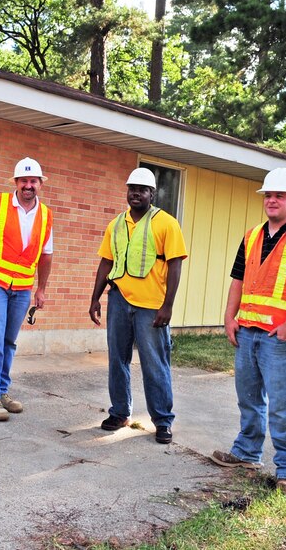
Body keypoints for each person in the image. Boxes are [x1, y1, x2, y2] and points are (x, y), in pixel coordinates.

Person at [210, 167, 286, 494]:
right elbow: (238, 279)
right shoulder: (251, 236)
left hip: (281, 338)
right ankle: (247, 452)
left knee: (283, 405)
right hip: (247, 332)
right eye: (268, 195)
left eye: (279, 195)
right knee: (248, 399)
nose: (272, 200)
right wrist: (229, 317)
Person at [89, 167, 187, 444]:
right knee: (117, 359)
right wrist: (95, 297)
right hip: (119, 299)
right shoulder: (116, 224)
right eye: (132, 188)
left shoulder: (166, 223)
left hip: (151, 305)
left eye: (142, 189)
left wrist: (167, 306)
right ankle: (119, 412)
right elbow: (106, 262)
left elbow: (175, 265)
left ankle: (163, 421)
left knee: (154, 364)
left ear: (152, 194)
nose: (135, 193)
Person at [0, 157, 54, 421]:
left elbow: (46, 255)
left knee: (8, 341)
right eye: (24, 181)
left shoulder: (46, 214)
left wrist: (41, 289)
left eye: (33, 181)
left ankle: (2, 391)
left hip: (23, 288)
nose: (28, 185)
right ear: (16, 183)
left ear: (40, 184)